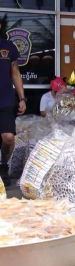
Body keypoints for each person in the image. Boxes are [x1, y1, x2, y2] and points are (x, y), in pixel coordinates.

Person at [0, 21, 25, 176]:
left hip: (5, 99)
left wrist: (22, 98)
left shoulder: (8, 46)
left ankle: (3, 165)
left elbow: (15, 72)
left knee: (8, 138)